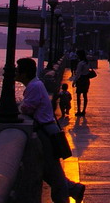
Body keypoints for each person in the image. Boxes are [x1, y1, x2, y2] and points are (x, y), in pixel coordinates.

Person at [16, 57, 86, 203]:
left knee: (53, 172)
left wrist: (18, 107)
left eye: (17, 70)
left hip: (46, 133)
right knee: (48, 169)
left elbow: (27, 108)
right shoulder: (35, 85)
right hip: (48, 130)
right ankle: (74, 189)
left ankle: (66, 196)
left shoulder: (34, 86)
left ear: (23, 73)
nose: (15, 72)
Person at [71, 49, 91, 117]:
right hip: (86, 80)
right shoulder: (87, 62)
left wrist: (74, 81)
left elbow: (78, 74)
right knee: (85, 95)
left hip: (81, 80)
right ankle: (84, 110)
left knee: (78, 96)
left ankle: (79, 110)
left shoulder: (80, 63)